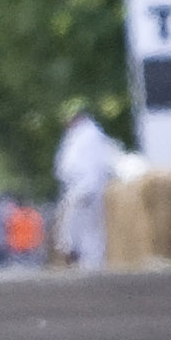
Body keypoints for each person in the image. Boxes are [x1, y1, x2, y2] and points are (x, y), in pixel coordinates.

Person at [52, 108, 121, 270]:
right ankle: (90, 262)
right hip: (90, 186)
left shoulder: (83, 137)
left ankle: (85, 262)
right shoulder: (92, 135)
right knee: (90, 229)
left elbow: (70, 166)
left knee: (79, 228)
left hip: (82, 187)